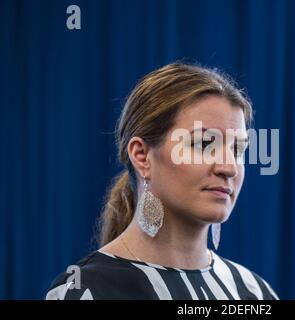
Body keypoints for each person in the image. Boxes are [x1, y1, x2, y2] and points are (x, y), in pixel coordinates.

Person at [46, 62, 279, 300]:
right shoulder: (85, 291)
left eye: (237, 150)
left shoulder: (254, 293)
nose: (228, 167)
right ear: (142, 156)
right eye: (204, 144)